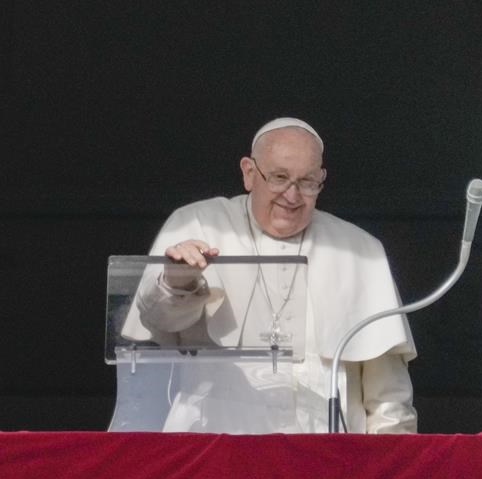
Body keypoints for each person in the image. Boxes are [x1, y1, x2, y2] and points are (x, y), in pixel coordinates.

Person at [124, 117, 417, 434]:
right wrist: (178, 281)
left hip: (326, 463)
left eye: (307, 182)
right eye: (279, 178)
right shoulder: (196, 224)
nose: (292, 197)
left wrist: (388, 468)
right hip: (215, 456)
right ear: (249, 173)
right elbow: (158, 324)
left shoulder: (359, 250)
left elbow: (388, 397)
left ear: (322, 179)